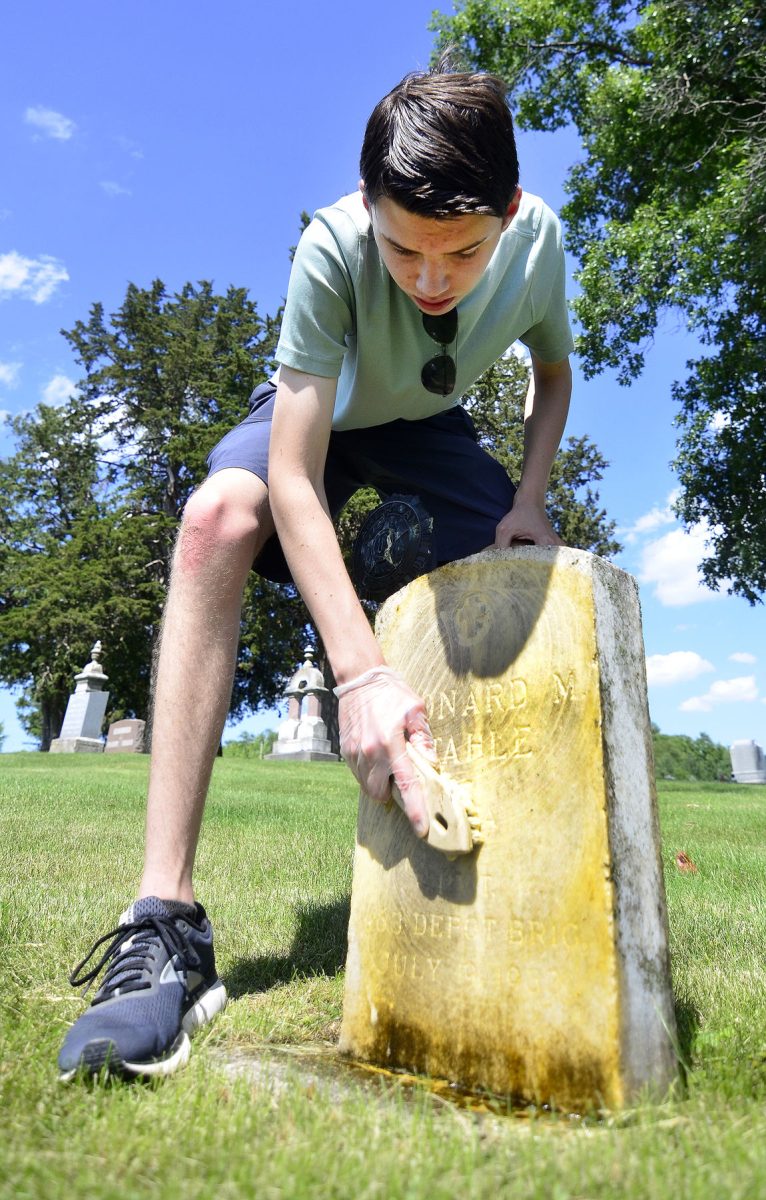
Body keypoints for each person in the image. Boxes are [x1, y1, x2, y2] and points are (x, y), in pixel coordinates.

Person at [58, 58, 574, 1081]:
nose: (429, 279)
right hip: (321, 417)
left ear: (507, 214)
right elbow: (292, 472)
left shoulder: (541, 242)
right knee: (216, 517)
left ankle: (516, 879)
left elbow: (551, 372)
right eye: (403, 248)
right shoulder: (332, 246)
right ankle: (164, 924)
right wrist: (361, 673)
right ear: (366, 210)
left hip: (429, 427)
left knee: (542, 580)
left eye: (460, 253)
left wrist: (527, 496)